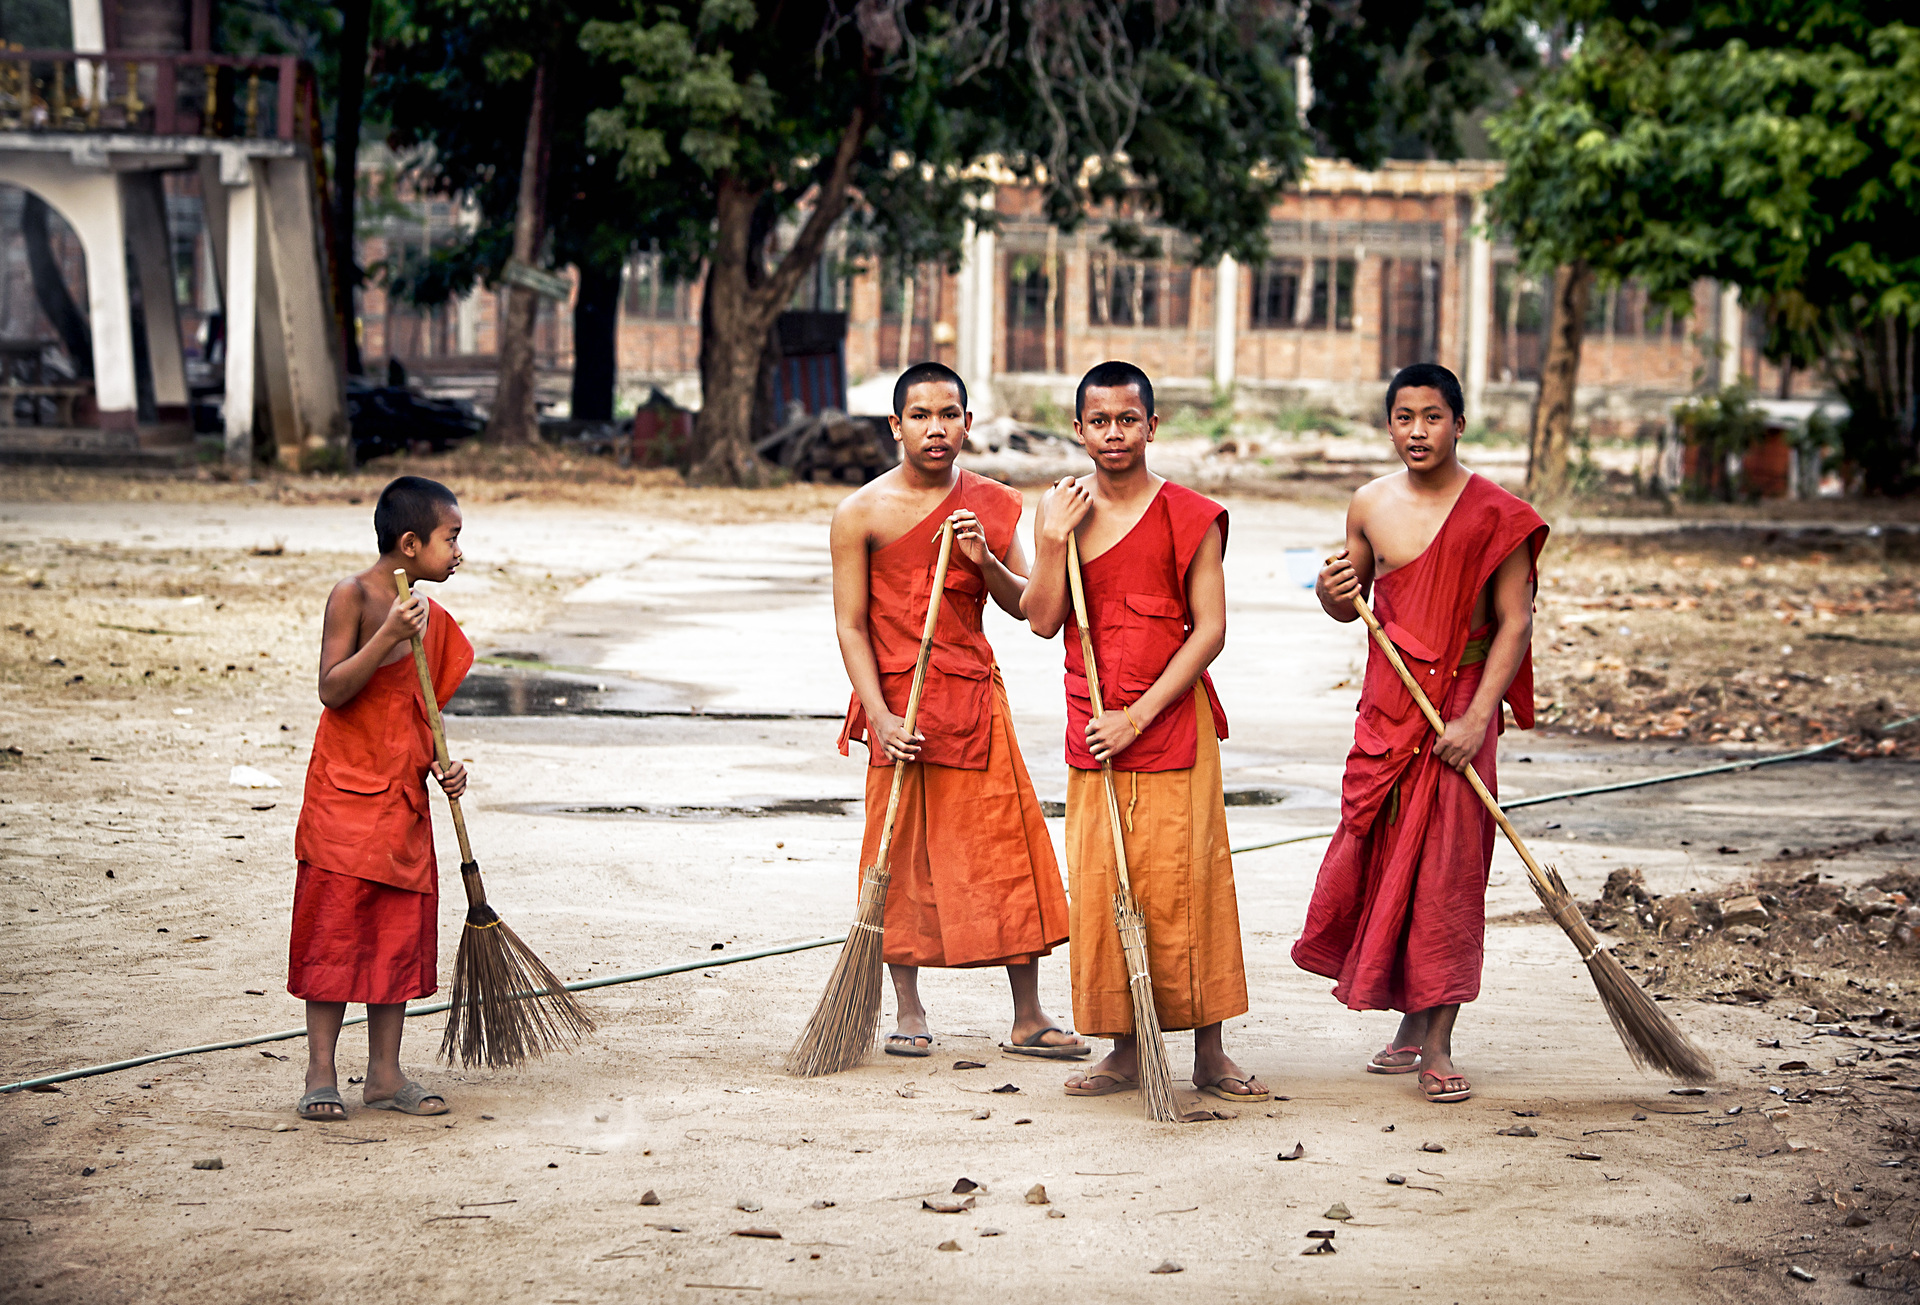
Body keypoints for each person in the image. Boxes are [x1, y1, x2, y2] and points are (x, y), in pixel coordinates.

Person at [1292, 362, 1547, 1104]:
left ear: (1460, 424)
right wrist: (1329, 592)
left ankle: (1437, 1040)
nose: (1417, 431)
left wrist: (1475, 720)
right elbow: (1354, 604)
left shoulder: (1500, 514)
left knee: (1447, 873)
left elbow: (1515, 623)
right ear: (1389, 424)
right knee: (1385, 860)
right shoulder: (1369, 504)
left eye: (1432, 416)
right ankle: (1407, 1021)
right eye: (1404, 417)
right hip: (1392, 709)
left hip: (1462, 707)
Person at [1023, 360, 1266, 1103]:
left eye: (1128, 419)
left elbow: (1211, 631)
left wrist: (1139, 714)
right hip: (1094, 725)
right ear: (1078, 429)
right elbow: (1039, 618)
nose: (1114, 433)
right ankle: (1125, 1050)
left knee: (1187, 883)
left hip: (1165, 722)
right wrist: (1053, 541)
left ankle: (1210, 1052)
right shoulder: (1061, 512)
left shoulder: (1190, 514)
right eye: (1099, 421)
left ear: (1152, 427)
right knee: (1104, 883)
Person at [832, 362, 1085, 1060]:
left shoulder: (994, 502)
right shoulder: (861, 513)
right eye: (920, 415)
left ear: (969, 424)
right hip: (898, 710)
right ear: (895, 426)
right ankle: (908, 1007)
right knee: (898, 858)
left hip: (971, 696)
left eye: (949, 414)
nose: (936, 428)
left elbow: (1035, 607)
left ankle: (1028, 1014)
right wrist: (880, 718)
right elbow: (851, 625)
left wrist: (985, 560)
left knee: (1005, 847)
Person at [287, 476, 473, 1120]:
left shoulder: (433, 621)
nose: (459, 553)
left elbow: (418, 718)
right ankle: (320, 1070)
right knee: (334, 935)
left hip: (399, 804)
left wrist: (444, 769)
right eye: (451, 540)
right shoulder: (355, 597)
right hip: (342, 799)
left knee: (395, 935)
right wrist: (388, 635)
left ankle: (385, 1075)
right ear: (410, 542)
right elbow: (333, 689)